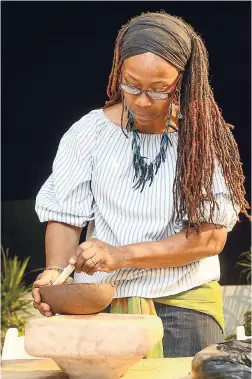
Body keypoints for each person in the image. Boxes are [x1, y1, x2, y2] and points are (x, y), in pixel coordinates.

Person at [32, 11, 250, 358]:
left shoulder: (204, 140)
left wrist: (120, 255)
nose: (142, 100)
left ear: (183, 82)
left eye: (158, 89)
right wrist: (55, 273)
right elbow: (65, 213)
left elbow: (210, 237)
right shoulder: (89, 133)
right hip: (100, 305)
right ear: (118, 72)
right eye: (130, 84)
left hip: (183, 304)